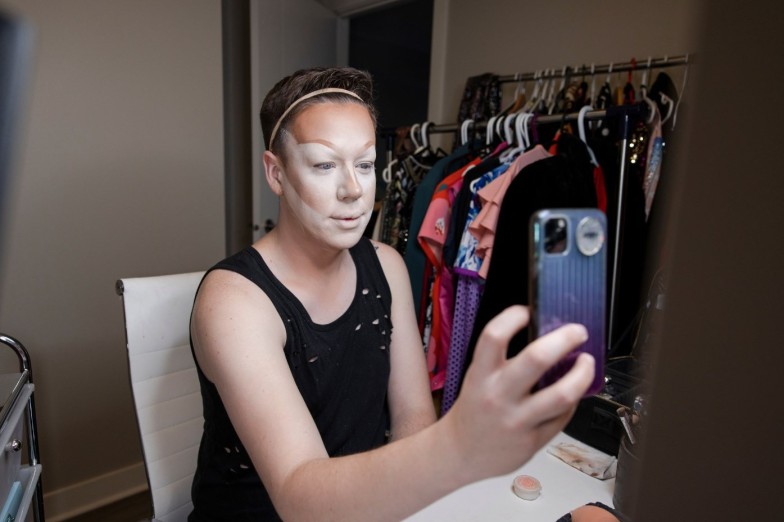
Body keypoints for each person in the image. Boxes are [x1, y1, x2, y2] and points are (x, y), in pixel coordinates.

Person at [188, 66, 596, 521]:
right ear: (276, 173)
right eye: (324, 165)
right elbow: (297, 496)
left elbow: (412, 419)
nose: (354, 190)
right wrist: (458, 444)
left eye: (365, 164)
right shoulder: (234, 302)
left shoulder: (386, 266)